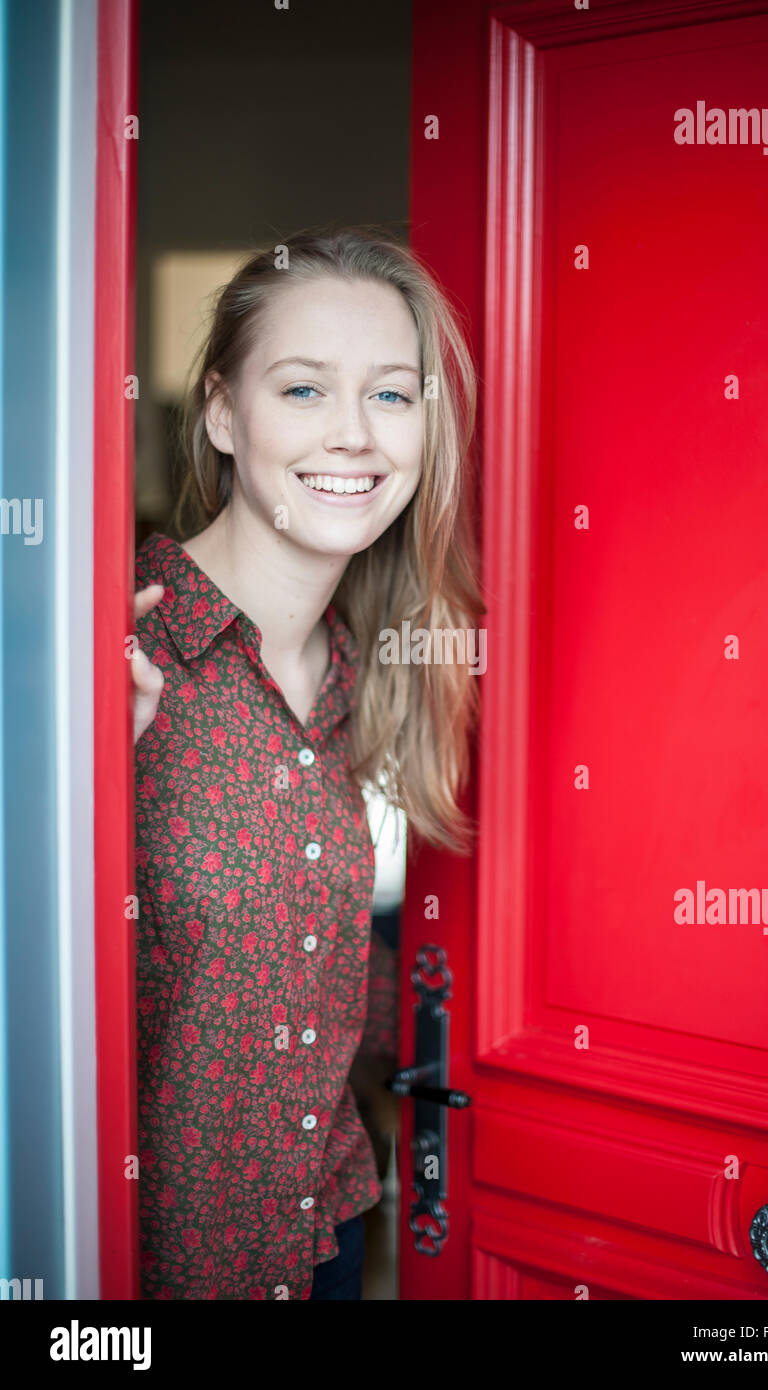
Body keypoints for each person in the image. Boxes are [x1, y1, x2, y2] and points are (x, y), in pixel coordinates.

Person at [130, 228, 483, 1300]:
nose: (353, 436)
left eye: (389, 395)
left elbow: (298, 955)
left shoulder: (368, 670)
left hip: (321, 1238)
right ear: (223, 413)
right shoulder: (103, 657)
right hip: (139, 1270)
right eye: (301, 389)